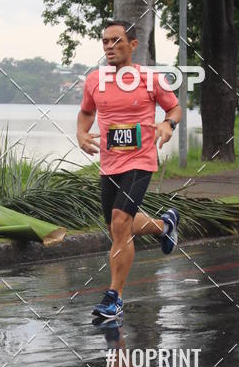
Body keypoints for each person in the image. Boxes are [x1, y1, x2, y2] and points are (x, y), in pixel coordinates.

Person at [77, 19, 182, 319]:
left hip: (140, 161)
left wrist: (167, 124)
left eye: (116, 41)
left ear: (133, 45)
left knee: (121, 223)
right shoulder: (95, 80)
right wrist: (82, 134)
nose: (109, 46)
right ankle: (165, 226)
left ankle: (114, 298)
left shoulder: (150, 80)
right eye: (105, 41)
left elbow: (174, 108)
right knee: (117, 225)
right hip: (109, 164)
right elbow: (85, 113)